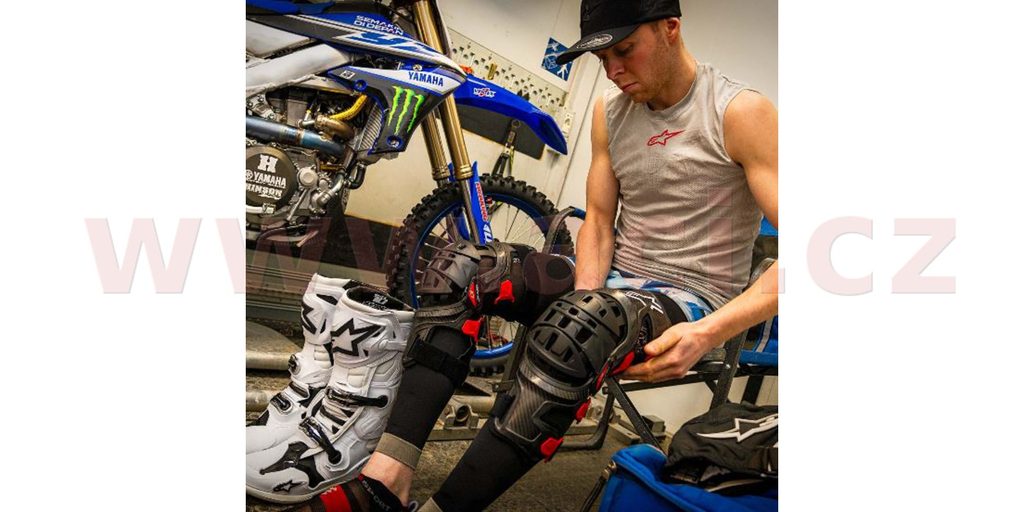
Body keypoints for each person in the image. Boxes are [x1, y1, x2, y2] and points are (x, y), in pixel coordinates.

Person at [284, 0, 778, 510]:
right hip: (616, 281)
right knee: (463, 266)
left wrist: (706, 333)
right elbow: (598, 221)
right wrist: (587, 296)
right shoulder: (610, 111)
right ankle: (387, 480)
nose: (613, 71)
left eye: (625, 50)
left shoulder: (739, 112)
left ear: (671, 28)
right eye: (602, 58)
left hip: (692, 297)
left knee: (581, 326)